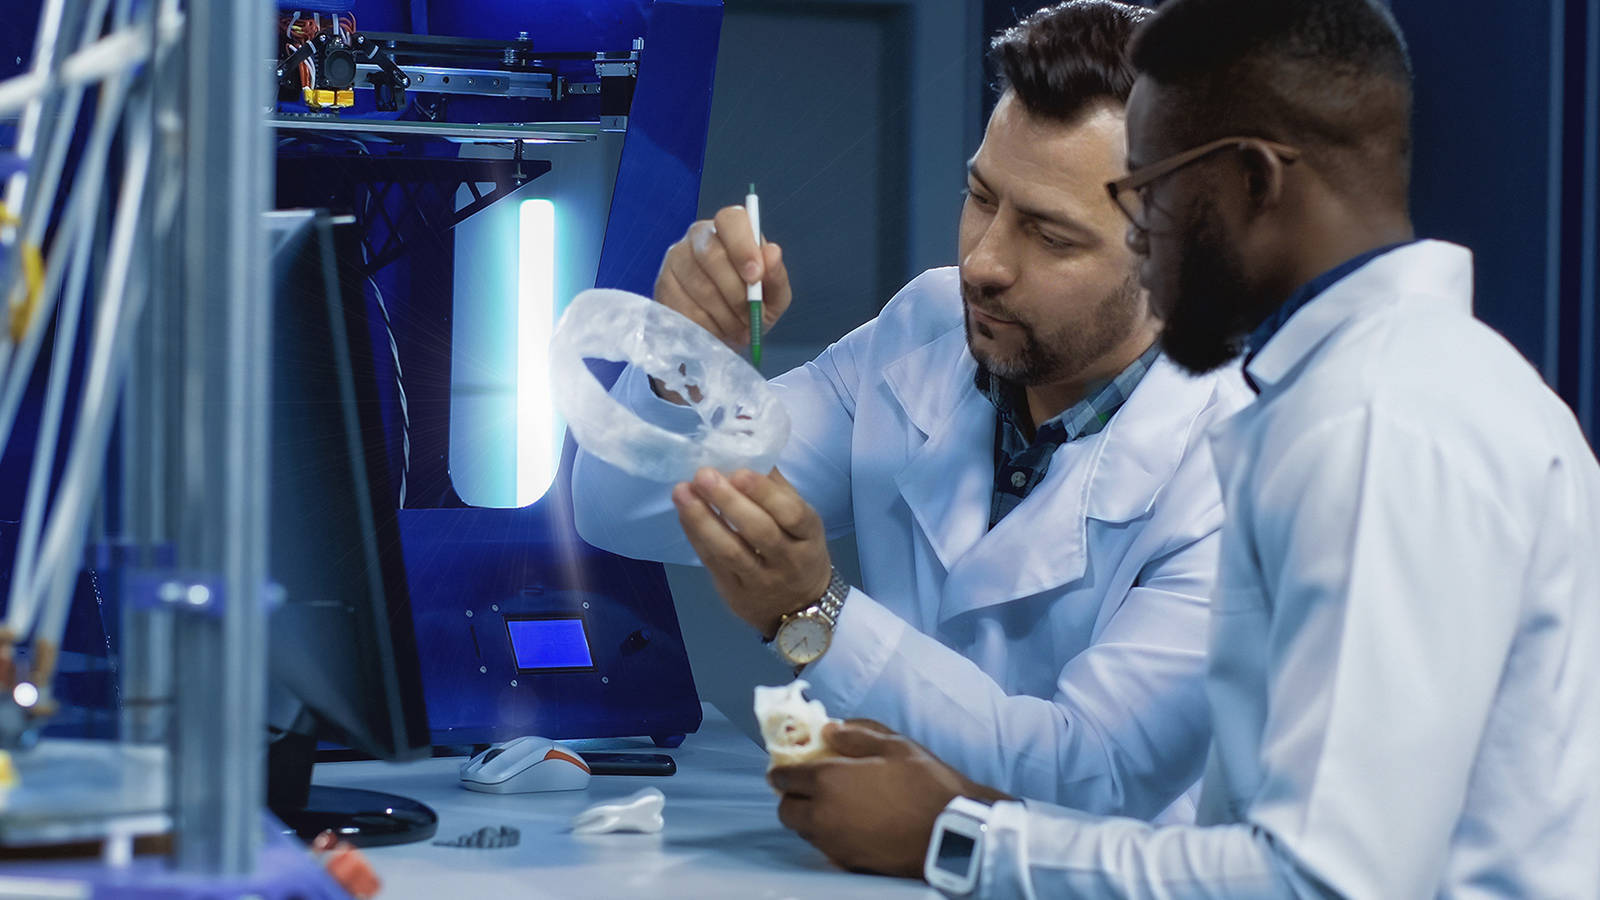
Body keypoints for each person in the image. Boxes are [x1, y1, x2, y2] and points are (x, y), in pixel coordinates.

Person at [767, 0, 1600, 895]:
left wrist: (955, 835)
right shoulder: (1377, 390)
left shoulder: (1377, 423)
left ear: (1250, 182)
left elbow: (1325, 882)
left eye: (1148, 198)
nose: (1142, 250)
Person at [571, 0, 1251, 824]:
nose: (984, 261)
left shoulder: (1244, 461)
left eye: (1051, 236)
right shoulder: (926, 329)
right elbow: (621, 511)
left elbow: (1091, 773)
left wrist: (813, 613)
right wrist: (688, 361)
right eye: (981, 197)